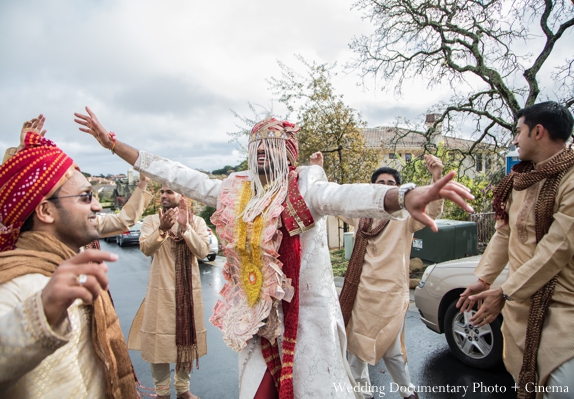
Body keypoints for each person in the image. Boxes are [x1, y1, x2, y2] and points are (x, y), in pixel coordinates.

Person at [75, 107, 474, 399]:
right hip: (257, 322)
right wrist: (113, 145)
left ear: (290, 152)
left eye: (273, 145)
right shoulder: (235, 189)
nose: (263, 152)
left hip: (306, 324)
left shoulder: (306, 186)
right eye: (257, 146)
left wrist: (403, 195)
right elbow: (181, 176)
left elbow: (345, 196)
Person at [0, 115, 150, 398]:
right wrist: (40, 313)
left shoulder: (69, 264)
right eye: (84, 196)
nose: (96, 205)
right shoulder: (9, 281)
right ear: (44, 211)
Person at [457, 101, 574, 399]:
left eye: (518, 131)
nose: (514, 139)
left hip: (560, 312)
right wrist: (484, 280)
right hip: (520, 311)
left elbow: (556, 249)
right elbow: (504, 233)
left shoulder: (571, 180)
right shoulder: (520, 181)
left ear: (538, 131)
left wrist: (505, 292)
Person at [339, 158, 443, 399]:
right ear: (372, 187)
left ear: (398, 188)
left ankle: (408, 393)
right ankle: (362, 394)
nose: (385, 186)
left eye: (391, 183)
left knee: (392, 350)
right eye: (380, 183)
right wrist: (320, 171)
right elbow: (335, 203)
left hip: (391, 295)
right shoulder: (361, 215)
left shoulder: (405, 216)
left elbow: (433, 211)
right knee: (357, 350)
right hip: (361, 294)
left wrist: (436, 176)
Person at [128, 186, 209, 399]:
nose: (164, 195)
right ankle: (162, 392)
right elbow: (146, 249)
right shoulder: (151, 221)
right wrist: (162, 229)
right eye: (162, 192)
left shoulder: (197, 221)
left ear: (183, 196)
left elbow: (202, 252)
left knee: (187, 341)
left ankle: (183, 389)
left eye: (170, 191)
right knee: (158, 344)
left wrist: (185, 227)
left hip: (188, 294)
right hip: (160, 291)